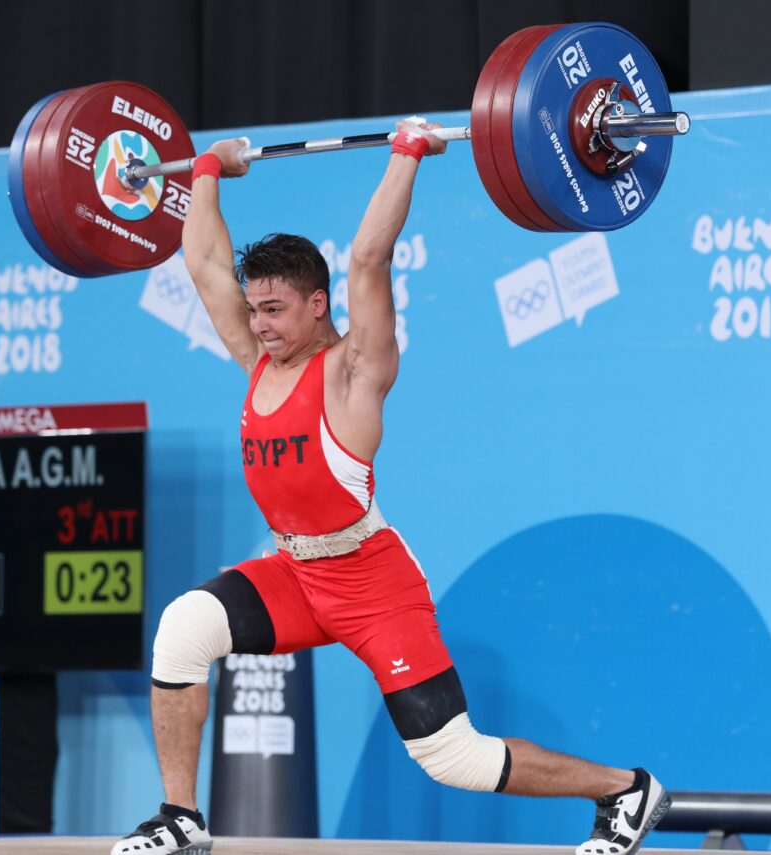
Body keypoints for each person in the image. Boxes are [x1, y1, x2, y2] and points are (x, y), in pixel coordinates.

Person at [112, 119, 671, 855]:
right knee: (184, 627)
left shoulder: (353, 371)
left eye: (274, 309)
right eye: (254, 309)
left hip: (371, 581)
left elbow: (370, 256)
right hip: (295, 571)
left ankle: (625, 789)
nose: (258, 323)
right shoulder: (259, 359)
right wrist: (208, 169)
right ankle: (181, 818)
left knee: (454, 757)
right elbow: (205, 262)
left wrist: (407, 154)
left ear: (318, 304)